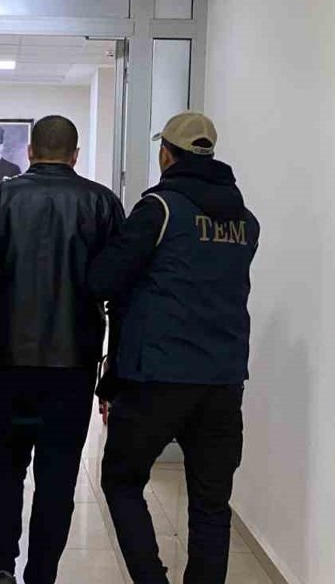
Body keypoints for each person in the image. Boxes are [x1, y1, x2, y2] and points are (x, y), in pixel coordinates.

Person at [89, 112, 260, 584]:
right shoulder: (245, 221)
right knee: (211, 502)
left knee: (122, 480)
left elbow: (103, 279)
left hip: (157, 377)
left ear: (166, 154)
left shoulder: (159, 209)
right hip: (223, 381)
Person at [0, 115, 125, 584]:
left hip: (9, 359)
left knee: (5, 467)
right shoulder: (102, 203)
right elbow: (119, 289)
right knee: (57, 476)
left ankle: (1, 564)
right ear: (75, 155)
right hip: (73, 364)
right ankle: (41, 574)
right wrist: (113, 370)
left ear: (31, 152)